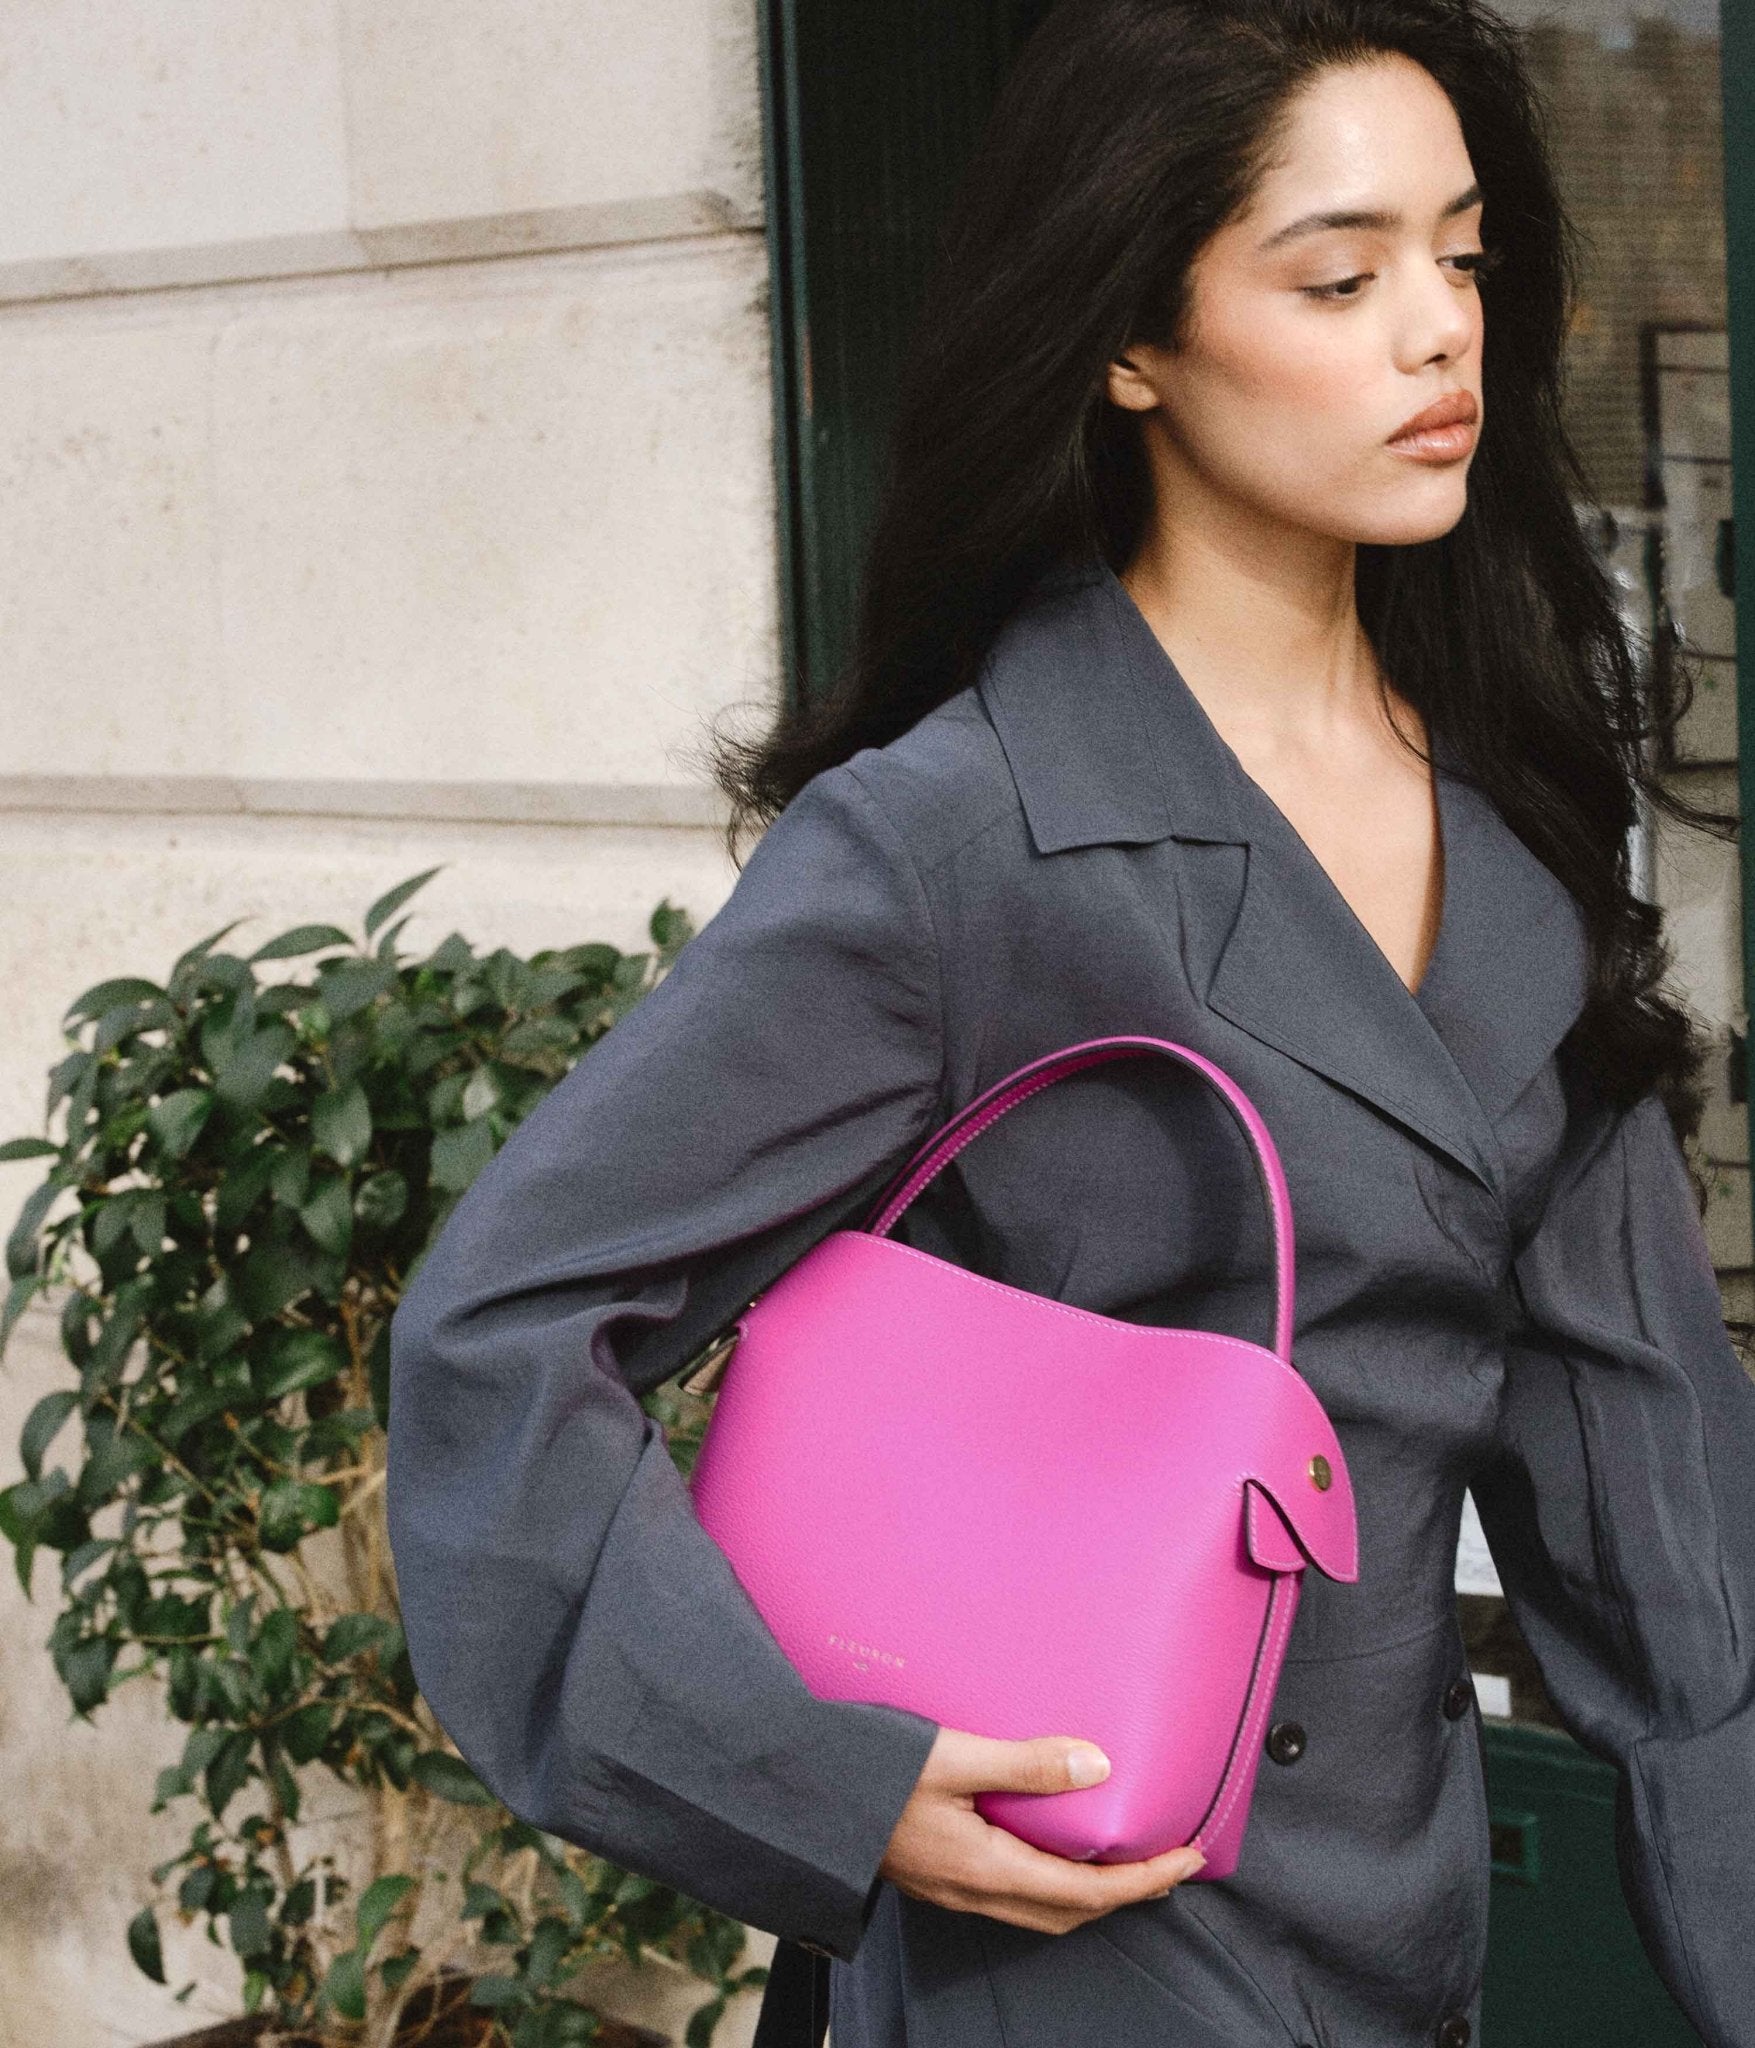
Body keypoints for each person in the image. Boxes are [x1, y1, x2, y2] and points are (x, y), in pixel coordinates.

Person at [385, 2, 1755, 2043]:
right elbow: (495, 1336)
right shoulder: (958, 839)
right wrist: (820, 1779)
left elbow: (1676, 1557)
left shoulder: (1513, 840)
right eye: (1338, 276)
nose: (1437, 331)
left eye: (1460, 257)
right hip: (1057, 1950)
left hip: (1394, 1941)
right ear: (1128, 341)